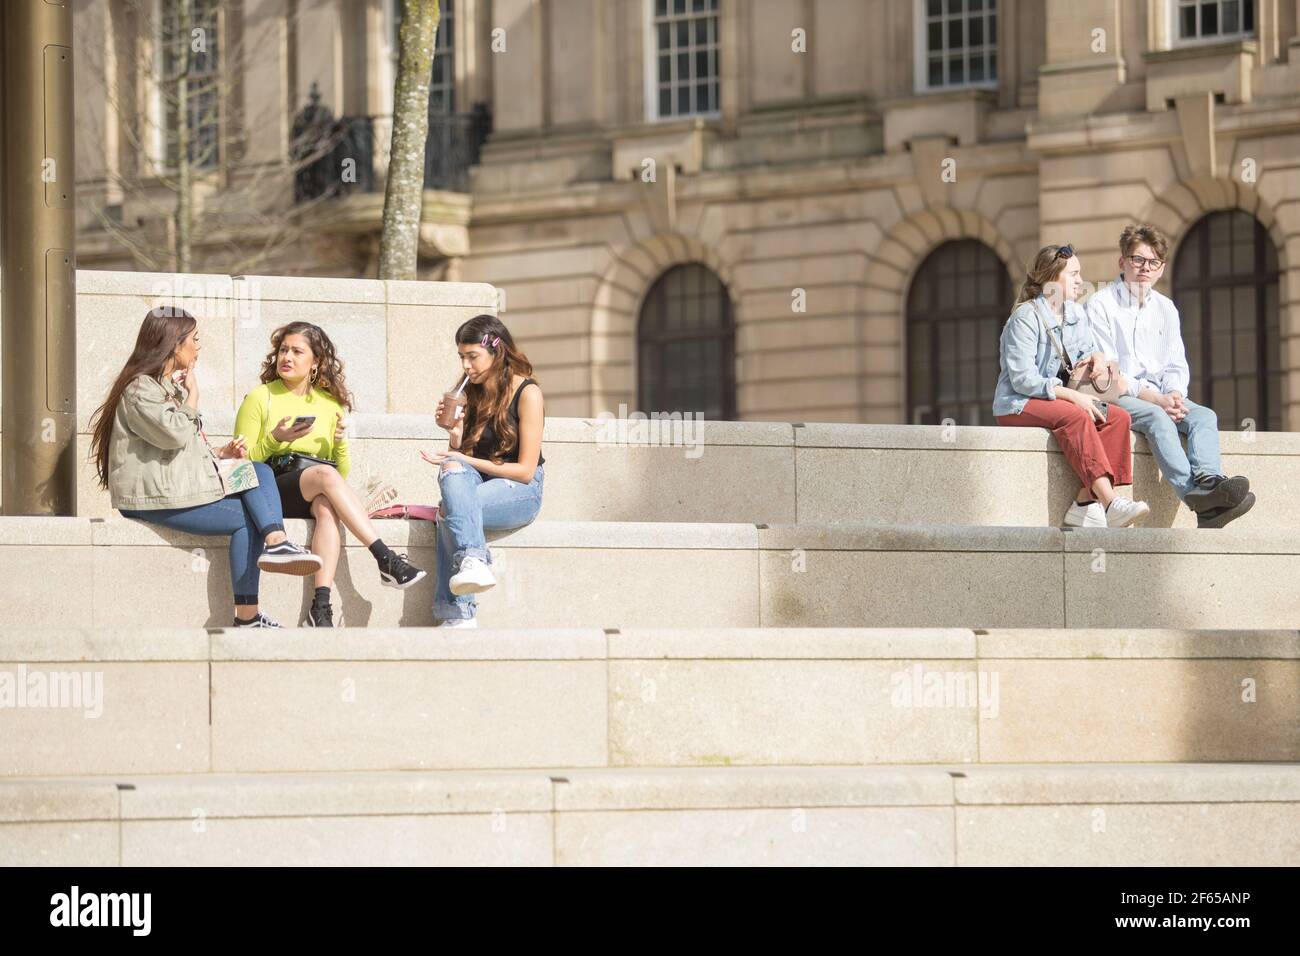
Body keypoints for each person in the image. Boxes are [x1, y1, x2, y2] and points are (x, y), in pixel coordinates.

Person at [89, 307, 322, 628]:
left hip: (174, 489)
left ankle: (276, 542)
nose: (198, 347)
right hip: (151, 499)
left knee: (258, 469)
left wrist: (221, 453)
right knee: (249, 517)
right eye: (194, 340)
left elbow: (178, 447)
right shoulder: (140, 388)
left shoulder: (161, 389)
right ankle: (250, 611)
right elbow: (173, 434)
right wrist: (193, 396)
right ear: (174, 344)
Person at [234, 321, 426, 627]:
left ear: (316, 362)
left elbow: (340, 473)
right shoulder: (260, 397)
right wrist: (276, 439)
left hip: (310, 487)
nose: (287, 357)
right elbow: (241, 463)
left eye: (298, 351)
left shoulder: (329, 403)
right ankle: (384, 557)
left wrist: (339, 443)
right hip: (267, 491)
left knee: (326, 506)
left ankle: (320, 608)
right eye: (283, 350)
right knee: (324, 480)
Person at [1086, 223, 1255, 528]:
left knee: (1204, 417)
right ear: (1122, 262)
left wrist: (1175, 394)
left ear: (1161, 269)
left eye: (1153, 263)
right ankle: (1195, 496)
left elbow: (1176, 364)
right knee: (1157, 417)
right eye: (1137, 260)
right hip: (1116, 395)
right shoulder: (1100, 304)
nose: (1144, 269)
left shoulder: (1166, 308)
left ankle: (1209, 482)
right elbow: (1110, 374)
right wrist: (1158, 400)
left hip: (1162, 394)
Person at [992, 244, 1151, 528]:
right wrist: (1072, 396)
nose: (1081, 281)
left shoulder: (1074, 314)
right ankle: (1111, 503)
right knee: (1077, 415)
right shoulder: (1025, 318)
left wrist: (1098, 359)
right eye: (1074, 274)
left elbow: (1089, 350)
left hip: (1058, 400)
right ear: (1053, 278)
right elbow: (1022, 379)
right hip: (1018, 403)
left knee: (1118, 418)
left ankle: (1083, 503)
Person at [426, 315, 546, 629]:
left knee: (450, 505)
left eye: (473, 357)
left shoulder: (528, 393)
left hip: (520, 491)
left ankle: (458, 612)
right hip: (480, 486)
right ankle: (473, 562)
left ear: (498, 351)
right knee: (451, 468)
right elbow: (465, 465)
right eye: (461, 357)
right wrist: (456, 438)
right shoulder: (470, 393)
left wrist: (459, 457)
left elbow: (524, 470)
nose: (466, 366)